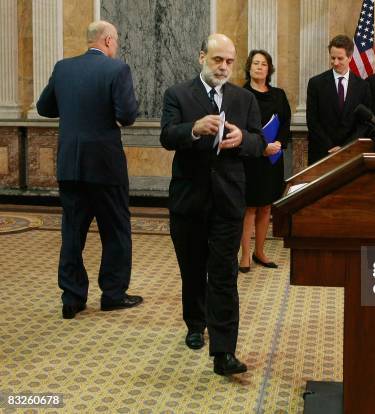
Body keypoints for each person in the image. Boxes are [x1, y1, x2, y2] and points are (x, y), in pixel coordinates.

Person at [160, 33, 266, 376]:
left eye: (230, 62)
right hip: (189, 200)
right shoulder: (177, 94)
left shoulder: (244, 98)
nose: (224, 67)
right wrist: (192, 128)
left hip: (228, 200)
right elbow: (166, 136)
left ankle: (224, 353)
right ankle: (195, 324)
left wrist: (243, 140)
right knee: (192, 269)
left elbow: (258, 140)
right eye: (218, 60)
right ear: (201, 56)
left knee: (223, 275)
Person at [36, 21, 142, 319]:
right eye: (116, 40)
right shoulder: (117, 69)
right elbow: (127, 115)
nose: (117, 46)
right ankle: (113, 294)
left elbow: (44, 107)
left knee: (72, 231)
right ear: (107, 40)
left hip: (70, 164)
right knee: (116, 230)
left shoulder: (63, 68)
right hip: (106, 166)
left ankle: (72, 298)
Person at [239, 50, 291, 273]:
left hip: (273, 159)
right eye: (255, 63)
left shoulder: (278, 95)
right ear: (249, 67)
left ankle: (259, 252)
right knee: (249, 207)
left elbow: (285, 123)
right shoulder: (240, 95)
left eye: (264, 64)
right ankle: (244, 256)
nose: (259, 67)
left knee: (266, 207)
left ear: (269, 69)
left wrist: (278, 143)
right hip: (251, 159)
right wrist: (261, 147)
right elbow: (239, 128)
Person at [306, 34, 371, 164]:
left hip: (351, 152)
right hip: (322, 152)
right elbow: (312, 120)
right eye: (333, 58)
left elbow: (364, 123)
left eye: (340, 58)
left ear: (350, 58)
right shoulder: (316, 83)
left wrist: (346, 147)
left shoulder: (363, 86)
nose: (335, 63)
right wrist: (330, 146)